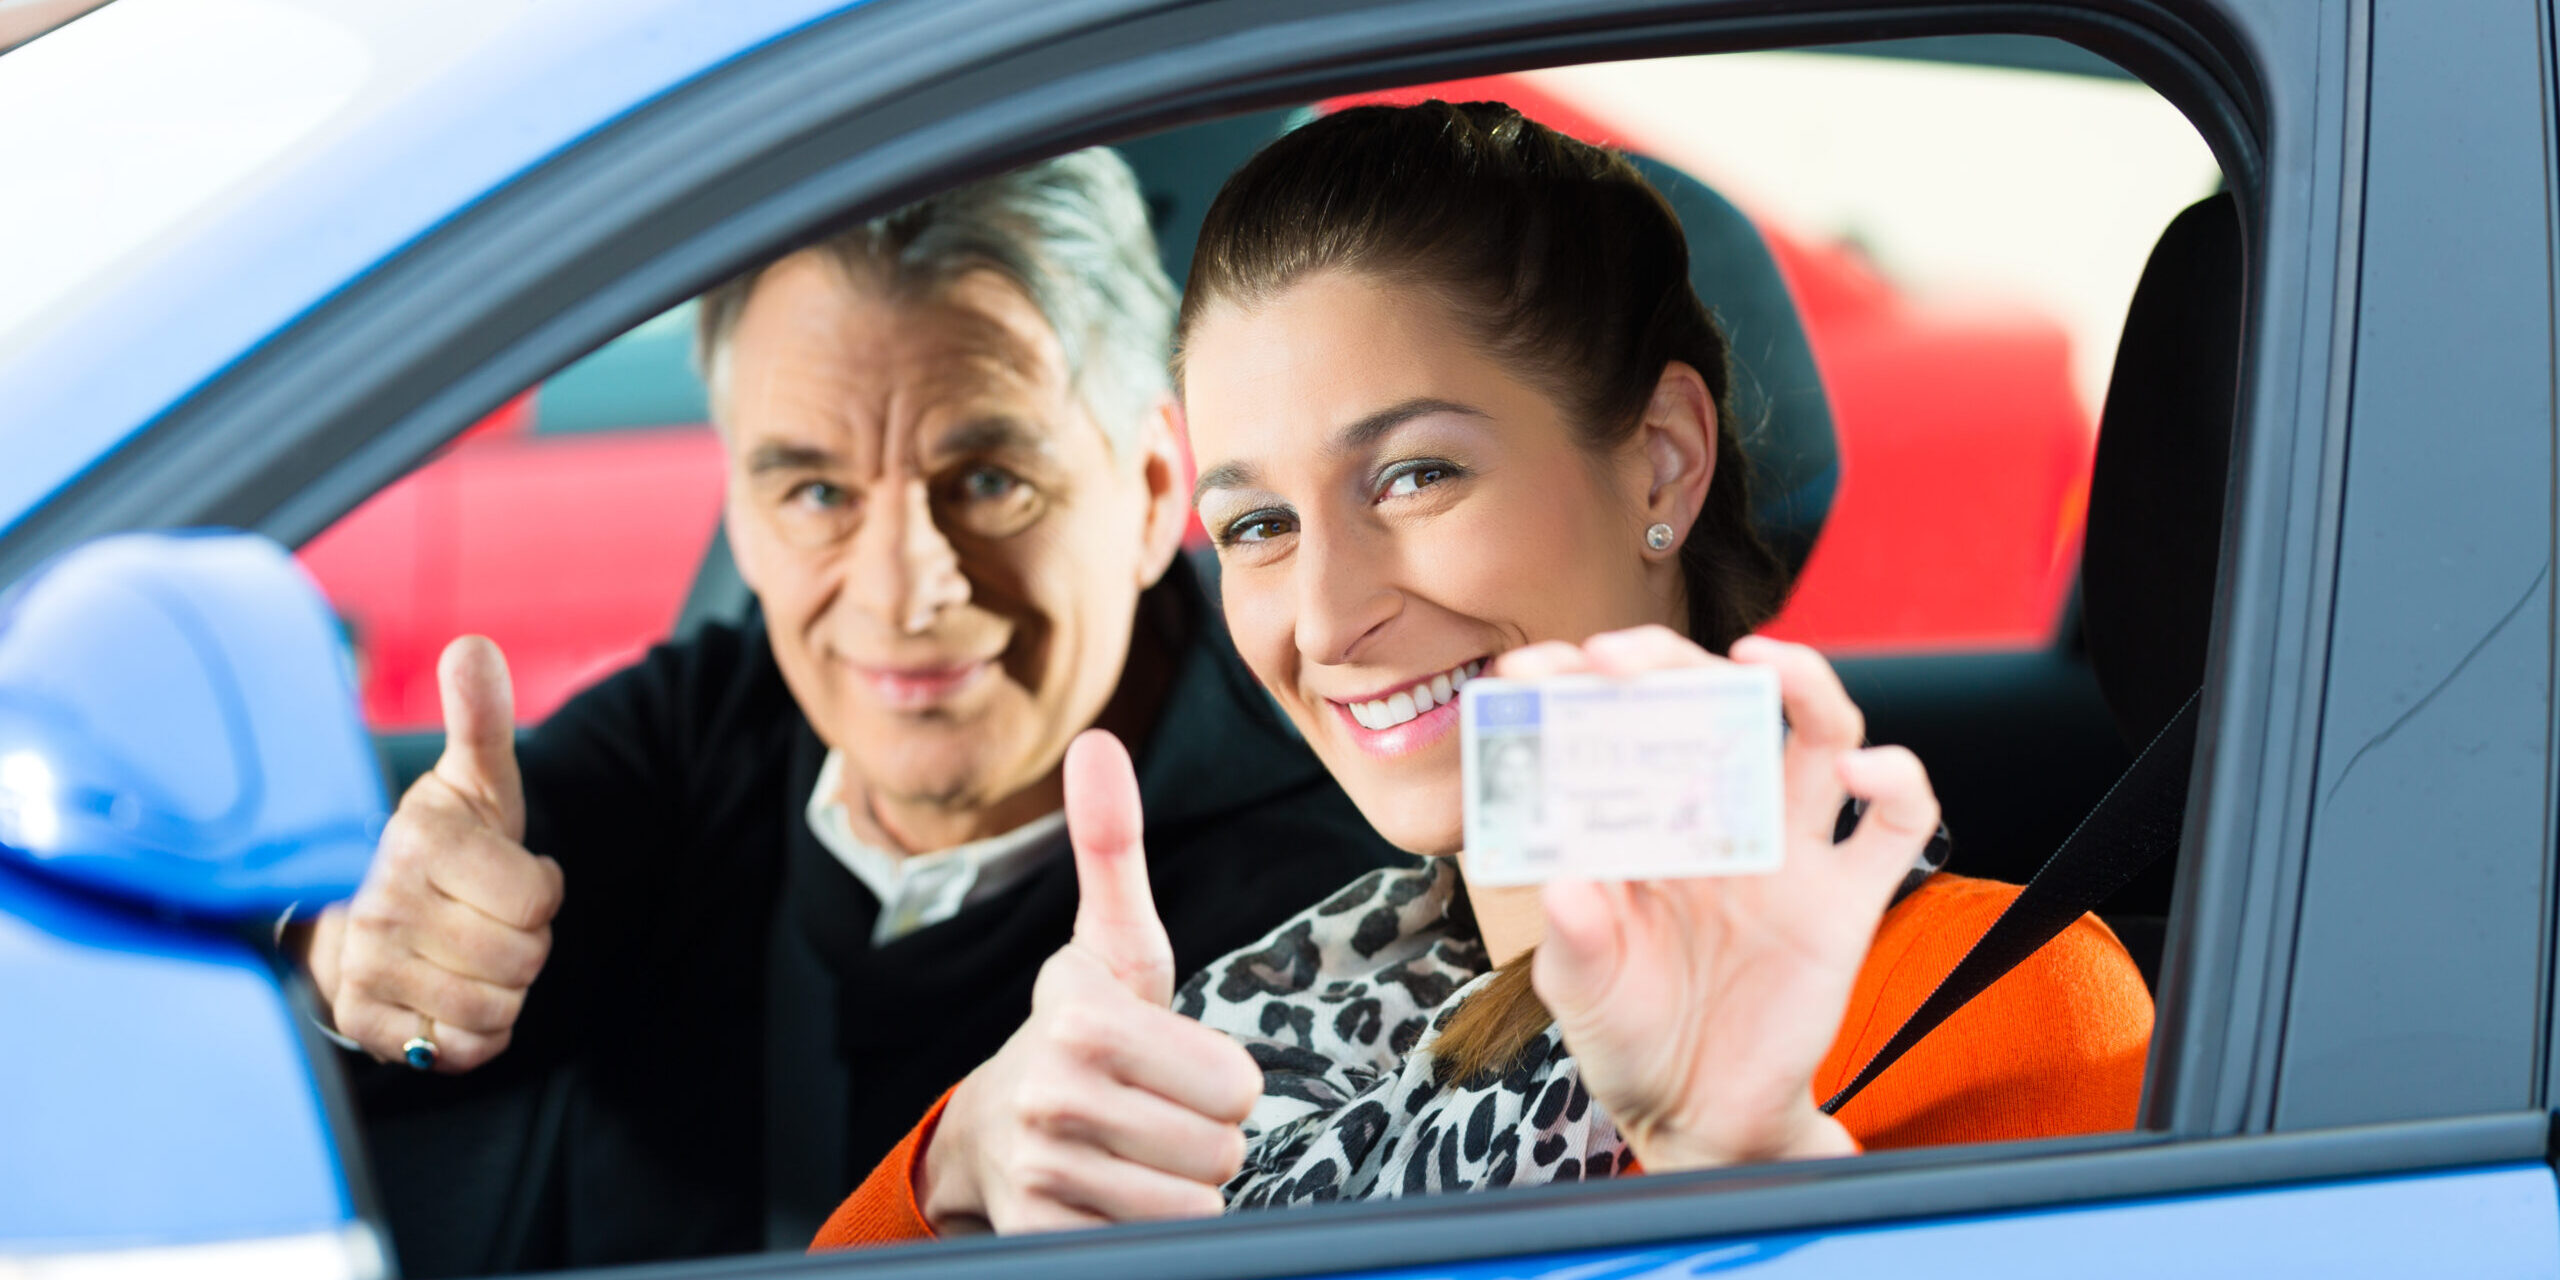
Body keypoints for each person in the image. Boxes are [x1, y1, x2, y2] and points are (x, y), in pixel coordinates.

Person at [811, 103, 2153, 1244]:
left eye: (1416, 474)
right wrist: (964, 1164)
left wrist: (1731, 1173)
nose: (1326, 619)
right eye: (1259, 528)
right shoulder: (1245, 1028)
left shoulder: (1991, 1007)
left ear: (1661, 461)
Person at [285, 150, 1408, 1274]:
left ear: (1156, 485)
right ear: (742, 506)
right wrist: (359, 961)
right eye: (817, 492)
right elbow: (421, 963)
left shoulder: (1353, 858)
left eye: (987, 480)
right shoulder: (697, 735)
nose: (900, 588)